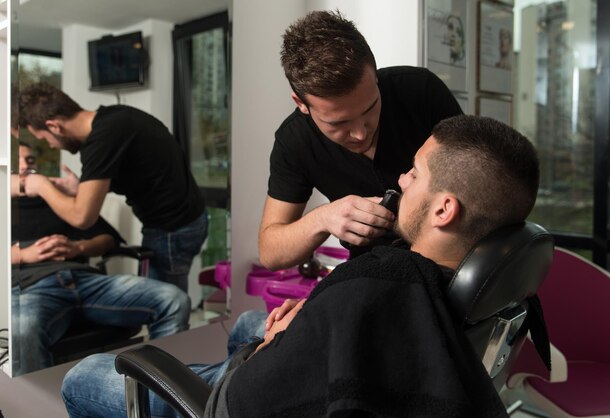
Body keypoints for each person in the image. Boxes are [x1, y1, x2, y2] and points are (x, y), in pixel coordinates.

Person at [61, 114, 541, 417]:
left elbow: (249, 396)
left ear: (443, 210)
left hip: (230, 399)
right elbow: (305, 278)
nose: (400, 177)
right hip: (315, 344)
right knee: (251, 320)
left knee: (82, 376)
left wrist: (273, 348)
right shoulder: (465, 278)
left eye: (414, 173)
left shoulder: (378, 281)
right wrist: (312, 320)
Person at [258, 10, 463, 271]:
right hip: (370, 275)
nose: (360, 134)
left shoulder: (420, 91)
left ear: (375, 75)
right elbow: (270, 252)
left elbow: (475, 183)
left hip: (447, 265)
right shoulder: (294, 142)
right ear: (302, 104)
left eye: (369, 109)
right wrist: (324, 218)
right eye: (338, 123)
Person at [11, 142, 192, 376]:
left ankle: (165, 393)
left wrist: (79, 247)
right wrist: (23, 254)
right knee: (21, 331)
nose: (26, 167)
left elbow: (108, 239)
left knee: (174, 300)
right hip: (31, 288)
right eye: (17, 163)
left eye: (31, 161)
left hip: (86, 282)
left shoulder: (58, 200)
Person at [16, 84, 208, 292]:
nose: (51, 146)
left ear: (54, 126)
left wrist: (42, 185)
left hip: (173, 229)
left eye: (44, 139)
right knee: (165, 302)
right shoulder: (114, 118)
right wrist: (80, 188)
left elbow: (82, 218)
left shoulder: (101, 141)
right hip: (189, 218)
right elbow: (139, 172)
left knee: (168, 305)